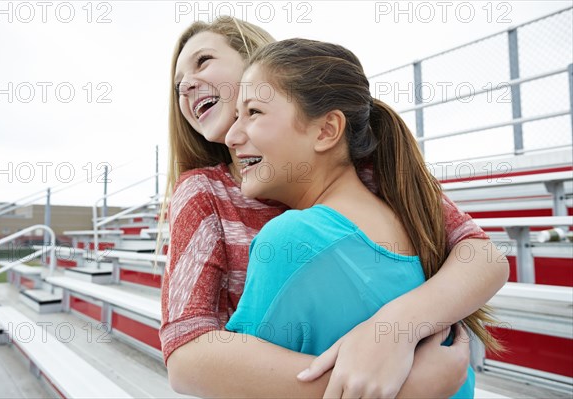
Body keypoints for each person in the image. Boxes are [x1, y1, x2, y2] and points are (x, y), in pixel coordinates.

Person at [160, 17, 509, 398]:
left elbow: (482, 256)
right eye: (178, 83)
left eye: (203, 61)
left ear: (254, 59)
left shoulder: (364, 168)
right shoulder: (204, 191)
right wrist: (402, 389)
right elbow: (186, 354)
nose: (187, 84)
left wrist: (394, 327)